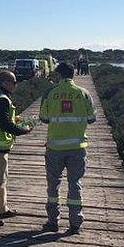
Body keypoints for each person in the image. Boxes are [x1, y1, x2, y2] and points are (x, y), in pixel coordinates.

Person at [39, 62, 96, 234]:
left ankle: (52, 221)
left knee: (53, 186)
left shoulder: (50, 92)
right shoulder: (84, 93)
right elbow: (92, 118)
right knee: (75, 184)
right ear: (73, 74)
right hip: (78, 147)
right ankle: (75, 223)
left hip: (55, 147)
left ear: (59, 74)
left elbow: (44, 118)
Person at [0, 71, 33, 227]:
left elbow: (0, 118)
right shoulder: (1, 99)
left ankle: (2, 208)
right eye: (14, 82)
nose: (15, 85)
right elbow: (5, 125)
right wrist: (23, 130)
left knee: (1, 178)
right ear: (5, 83)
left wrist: (15, 119)